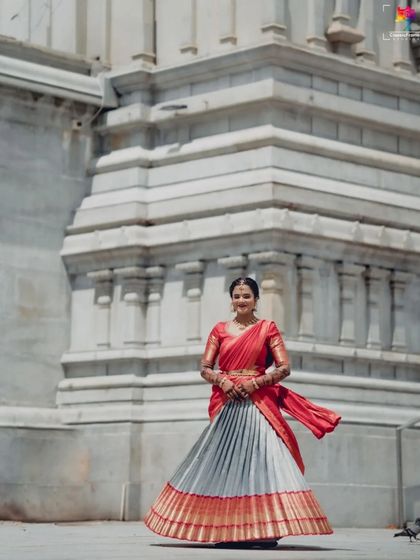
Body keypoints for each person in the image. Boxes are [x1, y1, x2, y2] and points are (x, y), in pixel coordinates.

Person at [144, 277, 340, 548]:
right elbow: (205, 367)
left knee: (264, 463)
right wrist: (223, 382)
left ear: (256, 299)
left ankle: (267, 529)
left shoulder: (267, 328)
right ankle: (226, 530)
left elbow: (284, 367)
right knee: (227, 465)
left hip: (258, 402)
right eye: (237, 296)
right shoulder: (220, 330)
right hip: (228, 403)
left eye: (247, 295)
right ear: (231, 299)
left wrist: (255, 383)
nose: (241, 300)